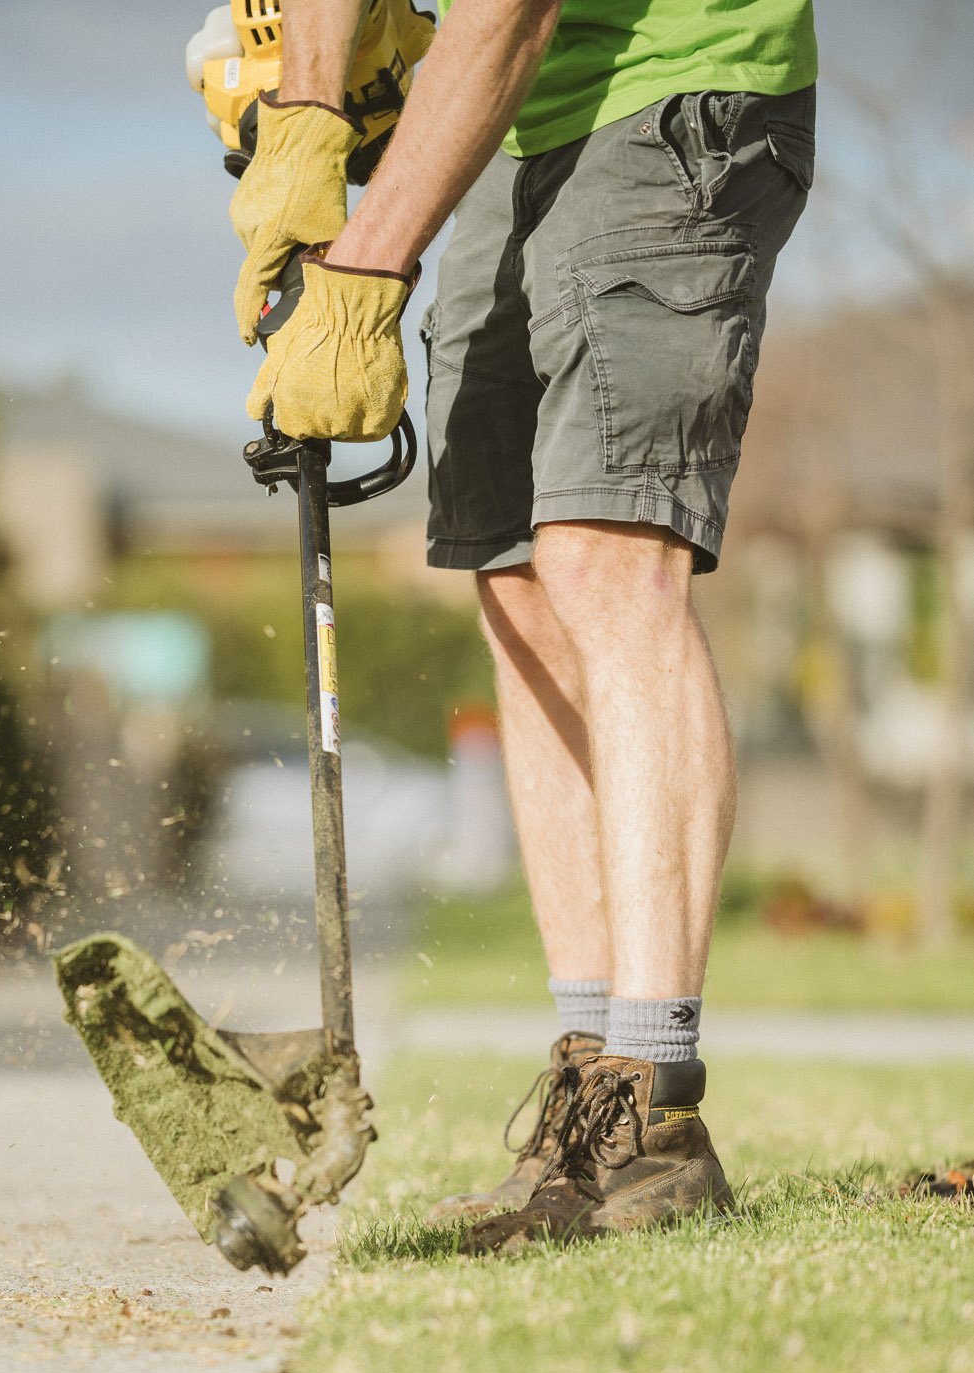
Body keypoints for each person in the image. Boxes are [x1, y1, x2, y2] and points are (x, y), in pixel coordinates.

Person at [231, 0, 817, 1246]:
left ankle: (649, 1102)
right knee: (515, 581)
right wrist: (306, 122)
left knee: (606, 557)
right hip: (506, 128)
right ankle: (580, 1095)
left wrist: (366, 264)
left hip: (671, 92)